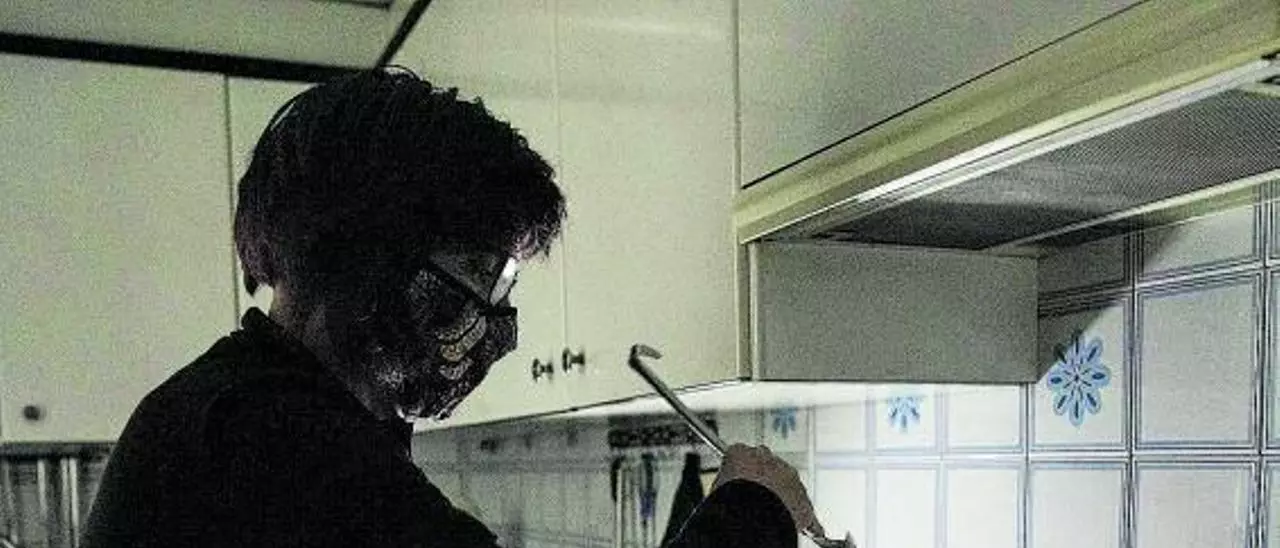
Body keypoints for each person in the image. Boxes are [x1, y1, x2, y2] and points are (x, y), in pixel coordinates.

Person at [81, 67, 817, 547]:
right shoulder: (270, 438)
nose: (496, 318)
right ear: (372, 256)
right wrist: (751, 512)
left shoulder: (237, 411)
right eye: (482, 273)